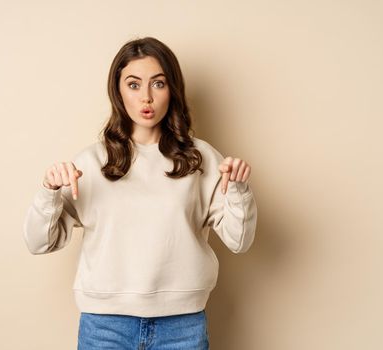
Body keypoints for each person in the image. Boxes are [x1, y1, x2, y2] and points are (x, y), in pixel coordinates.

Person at [23, 36, 258, 350]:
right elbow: (39, 242)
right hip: (105, 326)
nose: (146, 97)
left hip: (182, 325)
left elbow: (239, 241)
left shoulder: (200, 159)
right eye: (134, 85)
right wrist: (49, 191)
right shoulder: (91, 162)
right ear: (118, 91)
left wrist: (238, 189)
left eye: (158, 84)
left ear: (172, 89)